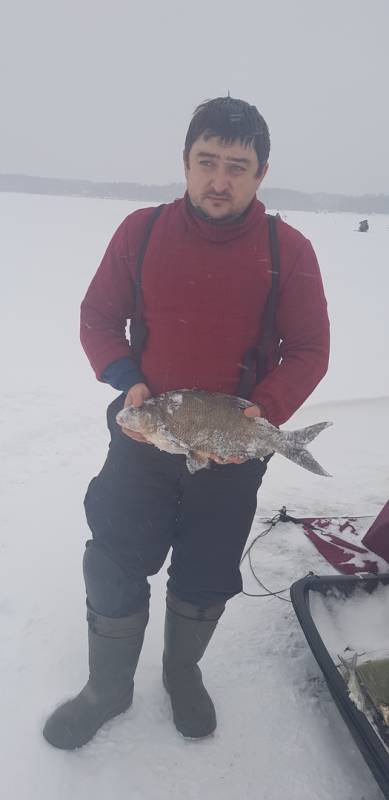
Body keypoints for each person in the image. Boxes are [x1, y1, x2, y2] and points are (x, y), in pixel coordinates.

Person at [43, 96, 330, 749]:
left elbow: (309, 349)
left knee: (205, 572)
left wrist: (266, 409)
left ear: (260, 173)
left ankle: (181, 674)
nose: (218, 180)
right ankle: (106, 689)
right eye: (206, 162)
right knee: (113, 560)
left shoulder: (288, 250)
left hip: (229, 447)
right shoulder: (141, 233)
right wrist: (125, 377)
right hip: (144, 432)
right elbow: (97, 319)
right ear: (185, 163)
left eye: (236, 166)